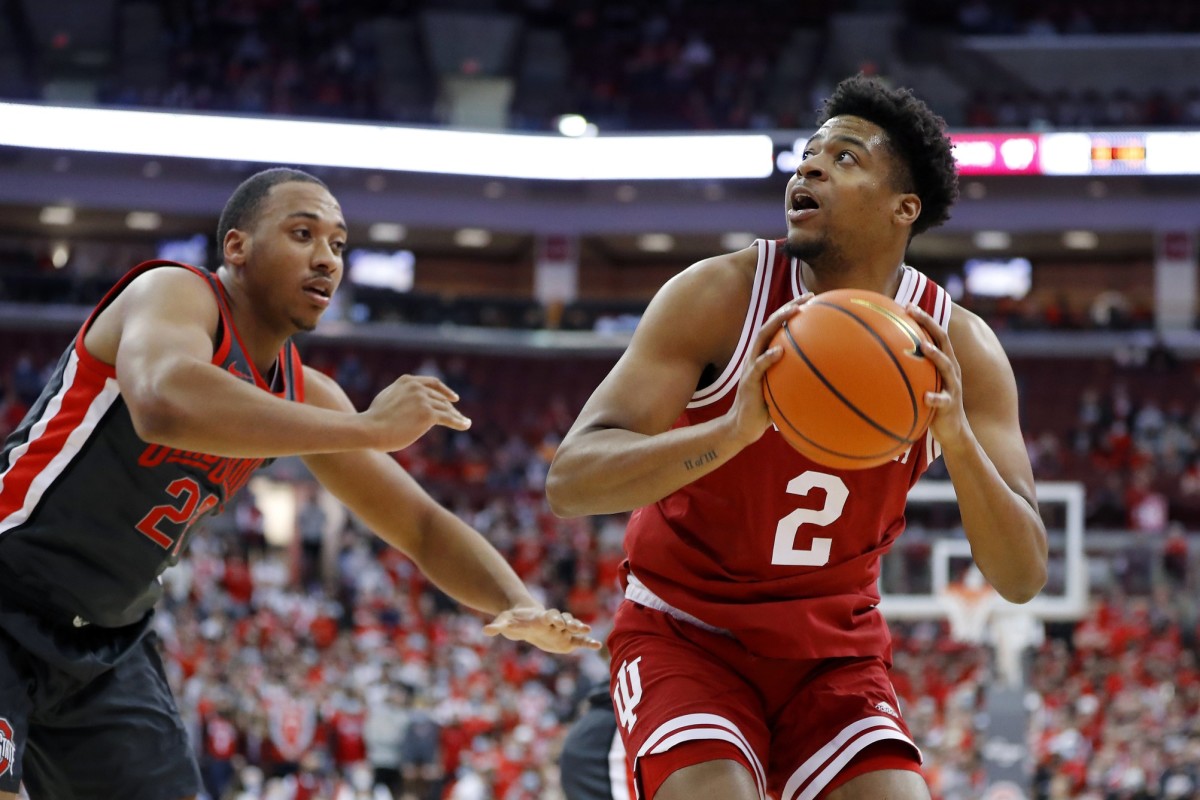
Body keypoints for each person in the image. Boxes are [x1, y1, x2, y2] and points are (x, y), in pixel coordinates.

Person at [0, 167, 599, 800]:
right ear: (237, 248)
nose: (326, 259)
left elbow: (422, 526)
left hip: (106, 640)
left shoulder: (306, 391)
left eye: (338, 245)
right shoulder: (173, 291)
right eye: (303, 233)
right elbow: (161, 401)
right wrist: (368, 429)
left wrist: (519, 602)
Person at [546, 75, 1048, 800]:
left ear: (904, 208)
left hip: (835, 655)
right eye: (809, 154)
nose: (808, 167)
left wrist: (958, 440)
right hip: (687, 633)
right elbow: (571, 482)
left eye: (845, 159)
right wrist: (732, 430)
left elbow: (1023, 576)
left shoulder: (958, 347)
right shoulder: (720, 297)